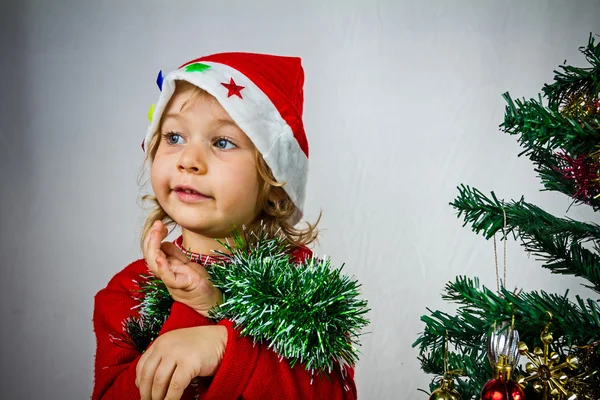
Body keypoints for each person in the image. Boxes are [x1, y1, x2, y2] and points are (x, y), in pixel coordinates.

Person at [92, 52, 358, 400]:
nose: (189, 160)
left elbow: (330, 393)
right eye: (174, 137)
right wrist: (188, 309)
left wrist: (224, 345)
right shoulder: (127, 293)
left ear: (273, 181)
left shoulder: (301, 283)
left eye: (222, 142)